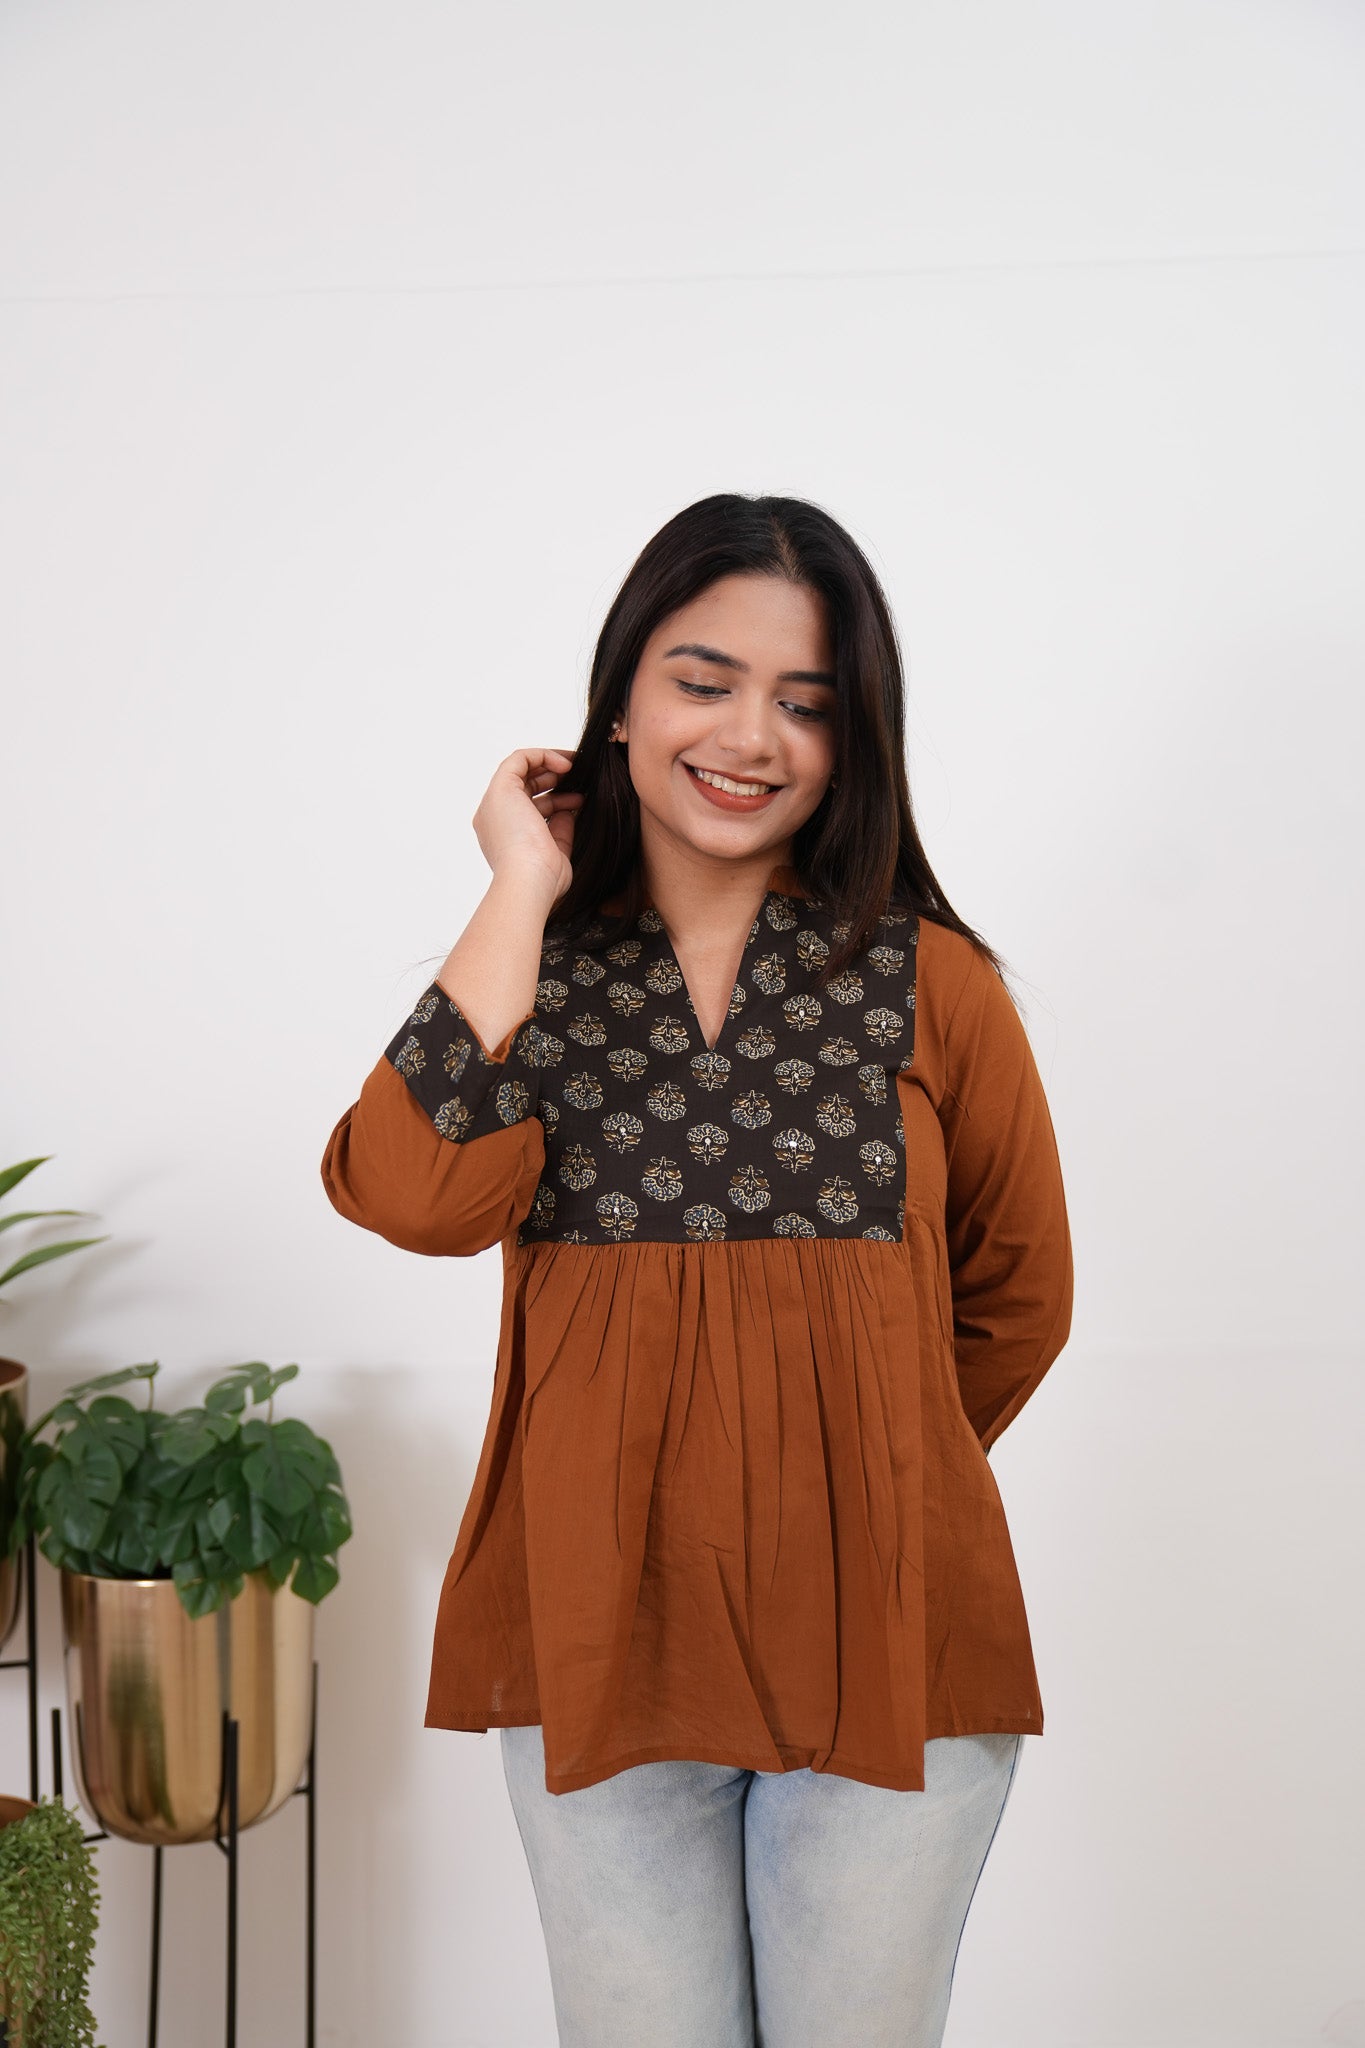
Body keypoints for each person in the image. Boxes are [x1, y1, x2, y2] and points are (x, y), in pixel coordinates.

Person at [321, 492, 1074, 2046]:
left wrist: (867, 1477)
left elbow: (1018, 1296)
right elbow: (408, 1195)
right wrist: (517, 886)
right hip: (598, 1640)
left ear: (852, 740)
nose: (749, 736)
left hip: (889, 1649)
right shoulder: (529, 977)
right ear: (618, 698)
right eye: (703, 679)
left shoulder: (933, 980)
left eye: (806, 702)